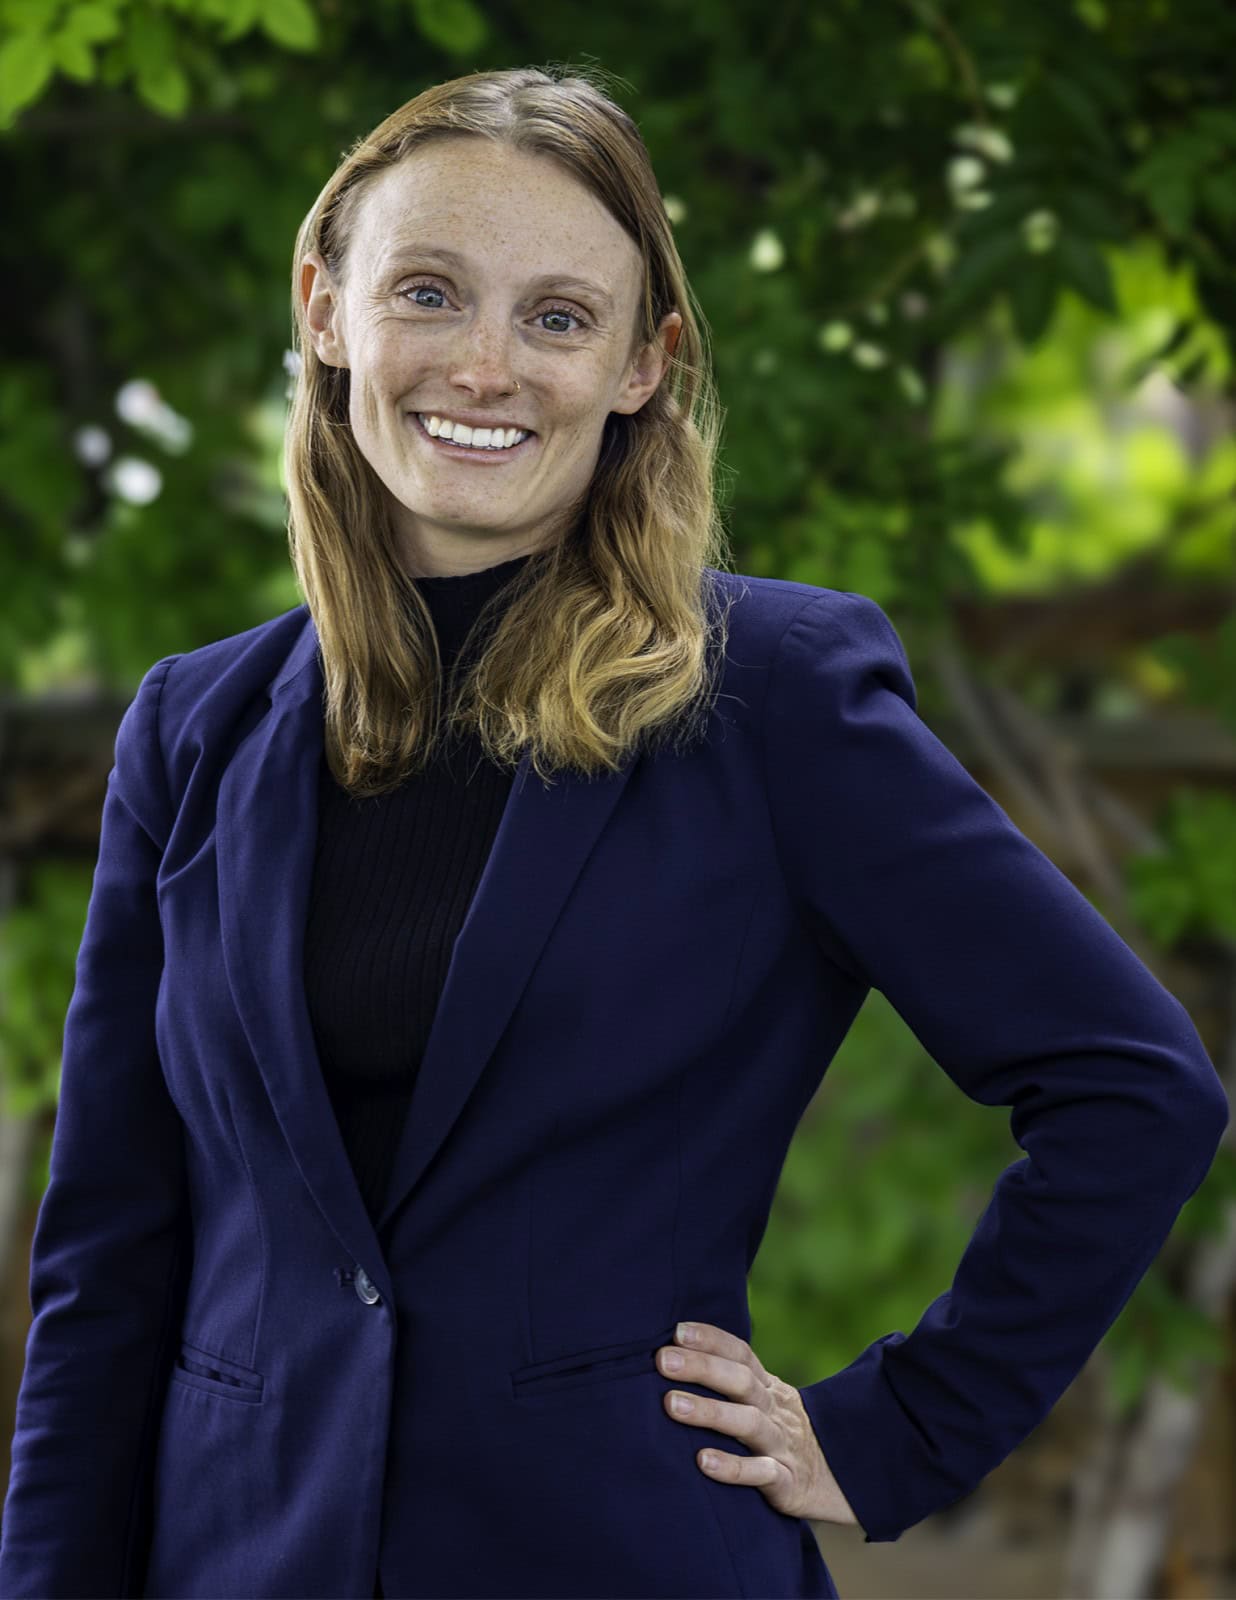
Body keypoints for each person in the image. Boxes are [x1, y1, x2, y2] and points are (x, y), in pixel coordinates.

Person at [0, 60, 1227, 1600]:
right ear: (326, 307)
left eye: (560, 318)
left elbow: (1132, 1085)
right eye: (430, 292)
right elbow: (109, 1255)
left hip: (622, 1552)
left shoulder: (773, 698)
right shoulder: (192, 728)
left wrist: (903, 1426)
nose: (488, 365)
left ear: (643, 366)